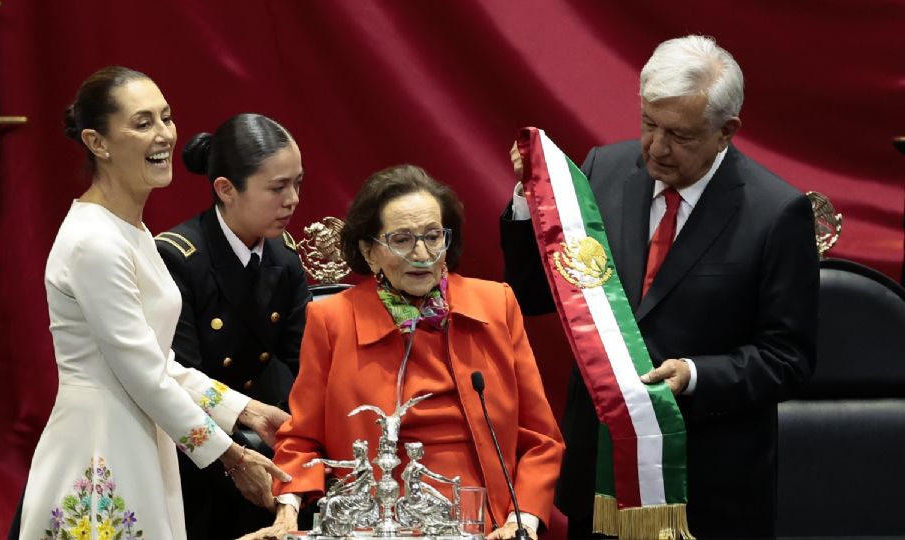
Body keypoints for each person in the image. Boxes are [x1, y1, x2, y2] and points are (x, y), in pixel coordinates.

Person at [501, 36, 819, 538]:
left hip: (707, 487)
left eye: (681, 135)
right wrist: (529, 202)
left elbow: (789, 358)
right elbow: (539, 297)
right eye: (649, 123)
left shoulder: (777, 213)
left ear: (726, 132)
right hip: (600, 478)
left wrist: (695, 375)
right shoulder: (602, 171)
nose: (656, 147)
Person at [19, 66, 291, 540]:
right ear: (97, 142)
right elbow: (143, 373)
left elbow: (159, 360)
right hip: (101, 449)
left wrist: (243, 409)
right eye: (143, 123)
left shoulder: (130, 229)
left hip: (143, 437)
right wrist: (231, 454)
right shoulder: (94, 241)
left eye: (166, 117)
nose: (164, 134)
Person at [243, 164, 564, 540]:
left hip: (486, 519)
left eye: (433, 236)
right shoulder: (332, 319)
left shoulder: (496, 304)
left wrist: (520, 522)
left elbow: (541, 438)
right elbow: (302, 439)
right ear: (369, 251)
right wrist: (287, 515)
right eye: (402, 240)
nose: (423, 254)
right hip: (375, 522)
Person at [155, 114, 310, 539]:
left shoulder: (283, 257)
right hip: (196, 446)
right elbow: (176, 379)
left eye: (297, 182)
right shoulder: (178, 257)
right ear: (225, 189)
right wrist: (236, 446)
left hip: (265, 432)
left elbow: (302, 364)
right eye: (278, 187)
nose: (293, 199)